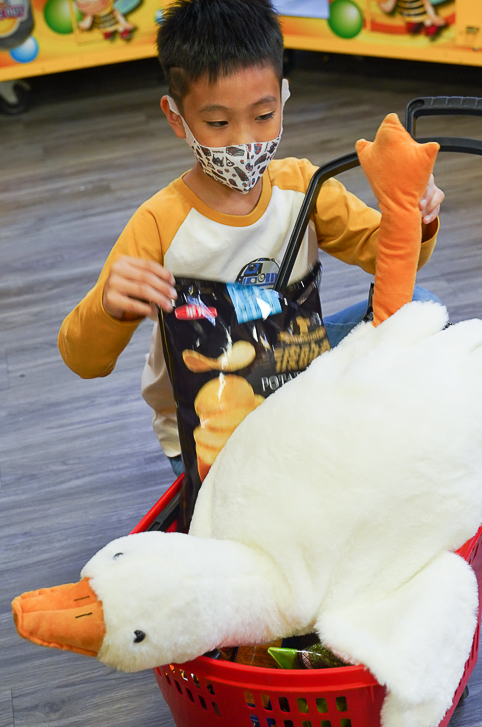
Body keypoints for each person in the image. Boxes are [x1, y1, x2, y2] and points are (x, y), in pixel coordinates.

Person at [58, 0, 444, 477]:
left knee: (423, 308)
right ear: (177, 117)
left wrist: (414, 218)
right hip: (207, 425)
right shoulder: (159, 223)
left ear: (283, 98)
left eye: (263, 116)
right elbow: (83, 360)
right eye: (218, 123)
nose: (244, 141)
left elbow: (387, 256)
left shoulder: (303, 186)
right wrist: (110, 307)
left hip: (298, 380)